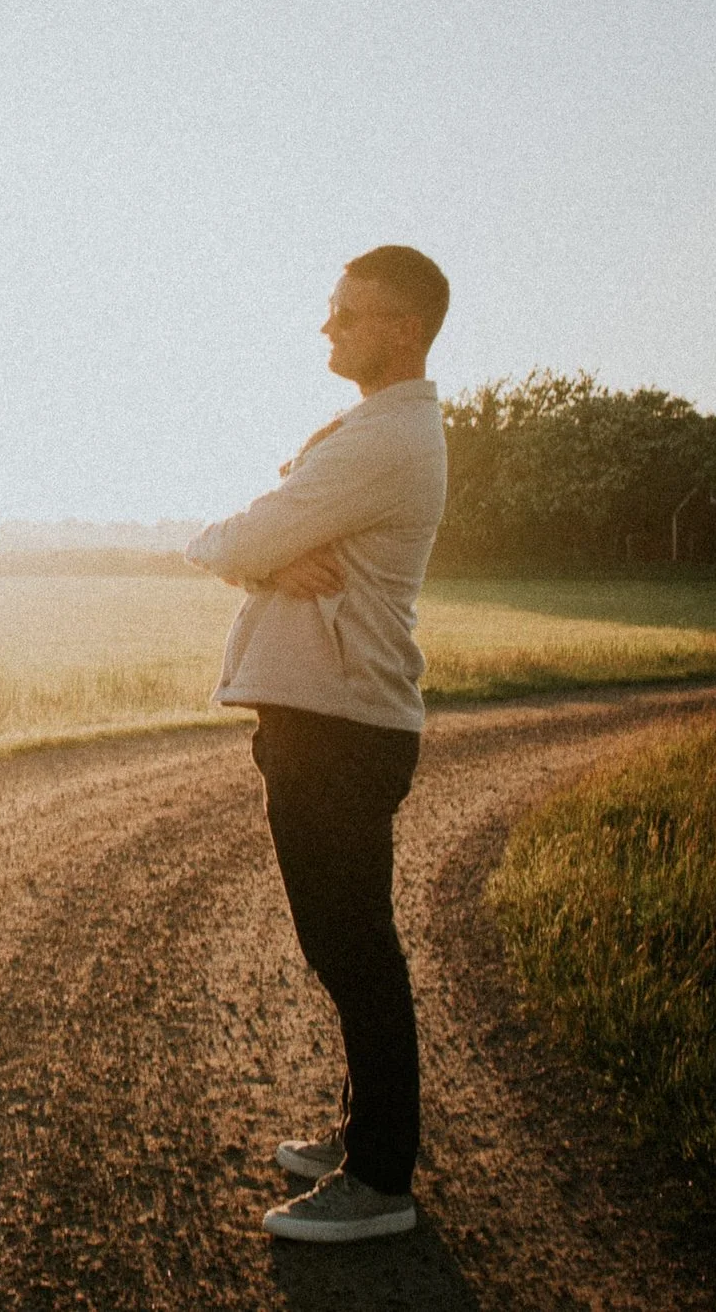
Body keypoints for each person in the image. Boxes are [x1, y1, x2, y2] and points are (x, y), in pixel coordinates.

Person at [185, 245, 451, 1243]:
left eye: (346, 313)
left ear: (404, 329)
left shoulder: (380, 440)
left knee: (353, 947)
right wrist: (263, 553)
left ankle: (380, 1177)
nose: (327, 327)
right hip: (330, 716)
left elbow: (241, 538)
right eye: (329, 309)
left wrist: (248, 555)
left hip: (341, 723)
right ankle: (363, 1139)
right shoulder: (370, 431)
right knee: (344, 944)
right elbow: (265, 540)